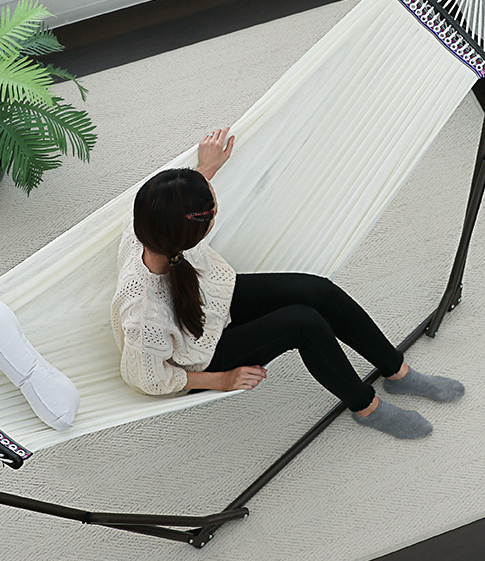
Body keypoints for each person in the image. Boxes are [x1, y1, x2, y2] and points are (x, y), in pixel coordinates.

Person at [111, 128, 465, 439]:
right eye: (212, 214)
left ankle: (398, 373)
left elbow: (176, 208)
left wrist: (206, 168)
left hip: (208, 301)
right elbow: (147, 378)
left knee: (318, 291)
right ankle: (366, 408)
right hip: (200, 358)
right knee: (303, 323)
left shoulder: (147, 220)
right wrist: (223, 380)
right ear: (192, 235)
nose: (215, 208)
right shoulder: (144, 313)